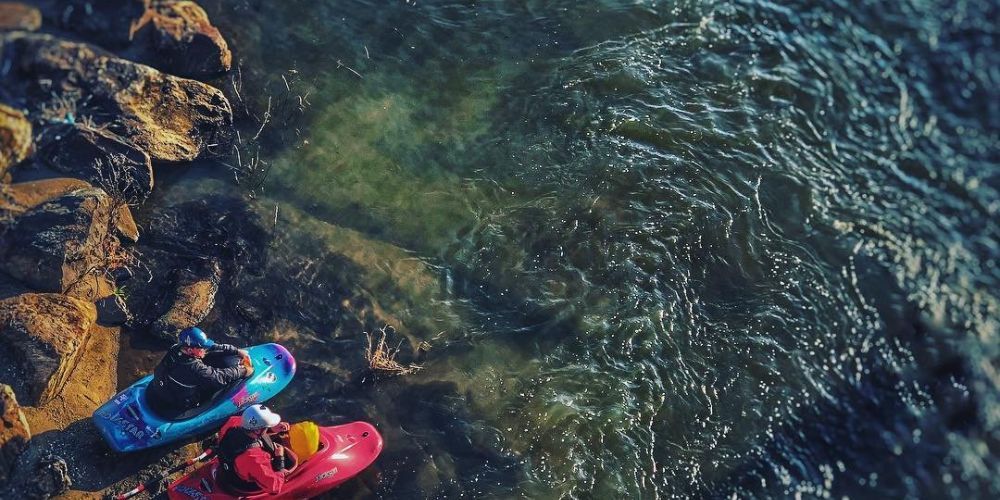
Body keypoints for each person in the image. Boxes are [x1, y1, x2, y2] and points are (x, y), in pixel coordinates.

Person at [145, 327, 254, 418]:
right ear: (189, 350)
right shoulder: (194, 368)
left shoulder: (176, 348)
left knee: (209, 357)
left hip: (163, 387)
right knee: (218, 386)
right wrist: (243, 370)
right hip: (180, 402)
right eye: (201, 348)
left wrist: (235, 350)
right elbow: (218, 377)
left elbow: (210, 347)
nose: (204, 349)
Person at [215, 404, 293, 495]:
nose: (267, 428)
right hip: (240, 485)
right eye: (266, 427)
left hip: (226, 468)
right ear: (257, 430)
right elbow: (274, 487)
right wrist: (280, 460)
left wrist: (271, 429)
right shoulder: (255, 458)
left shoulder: (234, 422)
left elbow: (252, 431)